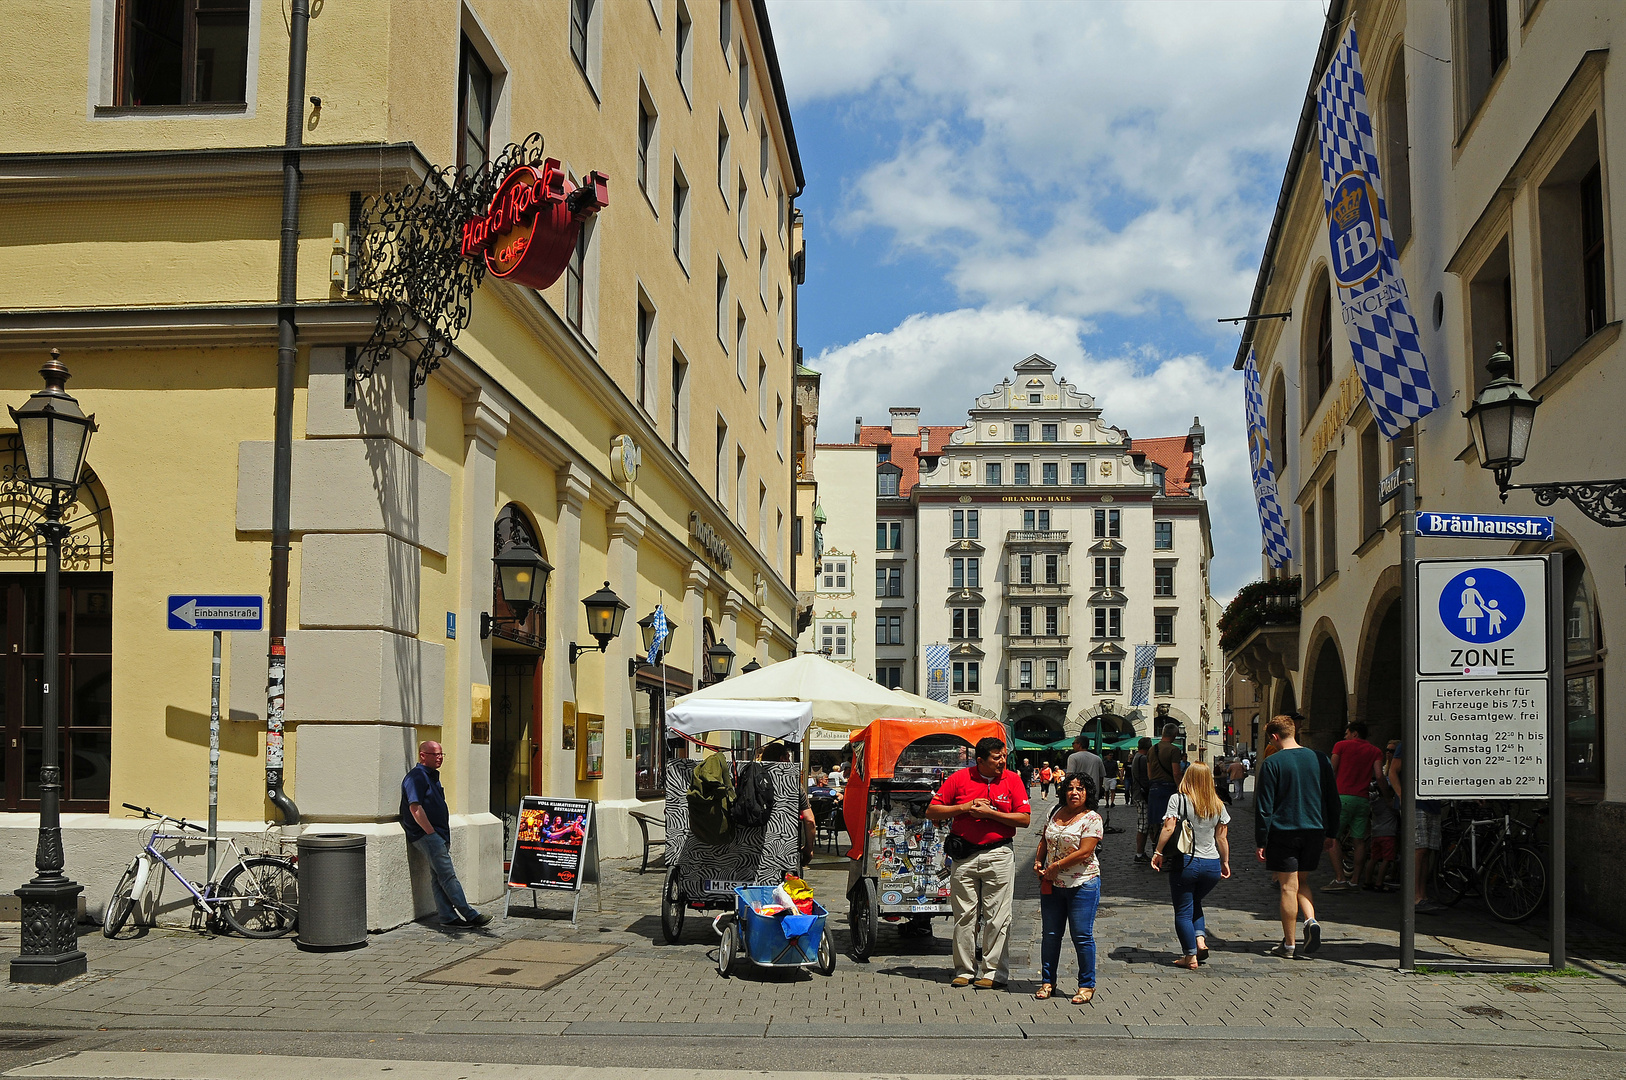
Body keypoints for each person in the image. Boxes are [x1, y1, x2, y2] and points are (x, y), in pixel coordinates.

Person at [926, 737, 1032, 989]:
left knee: (998, 916)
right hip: (964, 856)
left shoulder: (1012, 780)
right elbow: (932, 810)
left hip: (998, 853)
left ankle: (994, 972)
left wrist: (991, 814)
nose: (1002, 761)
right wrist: (965, 807)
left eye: (1003, 756)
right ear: (980, 760)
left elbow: (1024, 819)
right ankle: (964, 969)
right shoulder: (959, 779)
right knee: (965, 915)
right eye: (996, 757)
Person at [1253, 716, 1339, 959]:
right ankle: (1311, 920)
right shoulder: (1320, 759)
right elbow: (1332, 799)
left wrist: (1261, 840)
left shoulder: (1272, 763)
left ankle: (1289, 945)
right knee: (1303, 881)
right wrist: (1332, 831)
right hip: (1314, 829)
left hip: (1284, 831)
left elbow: (1264, 807)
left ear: (1274, 737)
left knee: (1288, 888)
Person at [401, 741, 490, 929]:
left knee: (438, 877)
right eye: (435, 754)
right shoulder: (417, 777)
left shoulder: (432, 777)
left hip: (438, 834)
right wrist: (431, 833)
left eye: (441, 754)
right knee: (448, 875)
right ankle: (470, 914)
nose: (440, 757)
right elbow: (415, 807)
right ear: (423, 755)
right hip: (427, 836)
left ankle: (448, 917)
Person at [1150, 762, 1230, 970]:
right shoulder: (1218, 804)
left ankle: (1190, 955)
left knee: (1183, 910)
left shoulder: (1178, 800)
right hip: (1212, 865)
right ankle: (1200, 940)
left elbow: (1168, 828)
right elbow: (1222, 839)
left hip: (1186, 862)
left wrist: (1158, 852)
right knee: (1195, 901)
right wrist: (1225, 862)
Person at [1031, 772, 1103, 1005]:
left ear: (1087, 793)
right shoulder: (1055, 811)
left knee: (1082, 936)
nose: (1074, 793)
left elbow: (1085, 851)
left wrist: (1056, 866)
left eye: (1080, 789)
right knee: (1050, 935)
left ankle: (1086, 985)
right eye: (1071, 788)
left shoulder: (1092, 818)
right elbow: (1044, 839)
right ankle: (1047, 981)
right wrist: (1038, 862)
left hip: (1082, 883)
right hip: (1053, 884)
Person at [1326, 721, 1385, 891]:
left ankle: (1340, 878)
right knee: (1359, 841)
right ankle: (1355, 879)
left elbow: (1332, 770)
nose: (1345, 736)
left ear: (1354, 733)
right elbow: (1380, 776)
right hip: (1363, 799)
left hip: (1342, 797)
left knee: (1333, 838)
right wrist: (1387, 796)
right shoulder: (1375, 751)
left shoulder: (1341, 746)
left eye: (1347, 733)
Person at [1390, 739, 1444, 913]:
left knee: (1427, 850)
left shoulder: (1440, 743)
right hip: (1415, 804)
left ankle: (1422, 895)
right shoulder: (1408, 743)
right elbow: (1393, 772)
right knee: (1419, 849)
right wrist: (1402, 796)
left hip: (1433, 804)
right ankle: (1414, 897)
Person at [763, 743, 815, 867]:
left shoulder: (750, 779)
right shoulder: (792, 785)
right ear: (784, 758)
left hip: (751, 847)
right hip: (785, 848)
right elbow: (809, 820)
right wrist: (809, 848)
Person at [1364, 755, 1398, 892]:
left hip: (1376, 833)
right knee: (1387, 859)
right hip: (1388, 834)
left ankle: (1367, 881)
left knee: (1373, 858)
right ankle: (1379, 882)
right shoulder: (1391, 803)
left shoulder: (1375, 802)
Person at [1145, 724, 1184, 843]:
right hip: (1169, 788)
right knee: (1170, 820)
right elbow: (1176, 772)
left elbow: (1149, 773)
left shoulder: (1152, 749)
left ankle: (1157, 846)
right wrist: (1181, 787)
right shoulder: (1174, 750)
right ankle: (1169, 849)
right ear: (1174, 735)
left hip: (1154, 788)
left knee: (1155, 821)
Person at [1065, 736, 1106, 805]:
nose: (1072, 746)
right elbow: (1101, 776)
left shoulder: (1073, 757)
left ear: (1079, 744)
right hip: (1093, 793)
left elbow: (1070, 775)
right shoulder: (1097, 758)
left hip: (1078, 792)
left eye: (1073, 743)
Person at [1132, 737, 1153, 861]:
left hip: (1138, 794)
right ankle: (1139, 854)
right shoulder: (1143, 759)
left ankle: (1143, 853)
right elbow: (1146, 778)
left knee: (1147, 825)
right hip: (1141, 795)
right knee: (1143, 825)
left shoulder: (1136, 757)